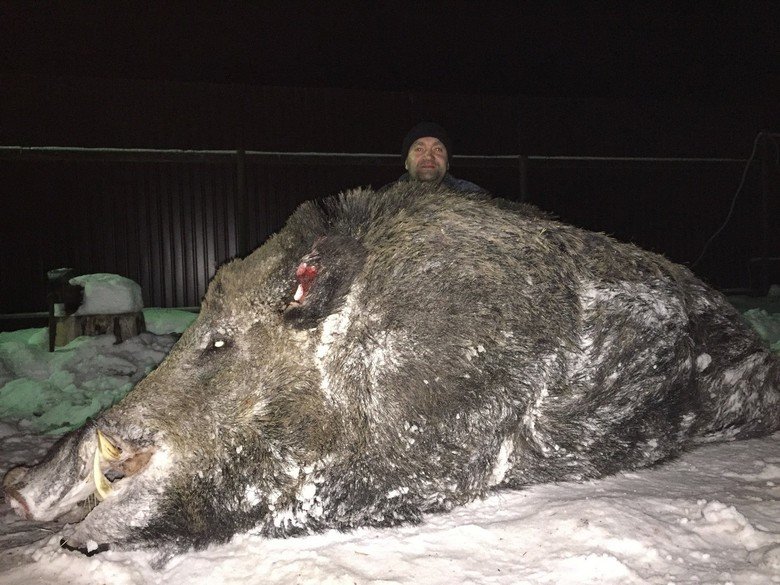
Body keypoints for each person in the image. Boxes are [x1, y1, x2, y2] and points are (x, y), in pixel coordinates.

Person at [386, 122, 486, 193]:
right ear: (406, 163)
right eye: (419, 149)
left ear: (447, 164)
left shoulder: (474, 195)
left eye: (438, 149)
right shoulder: (383, 198)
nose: (428, 156)